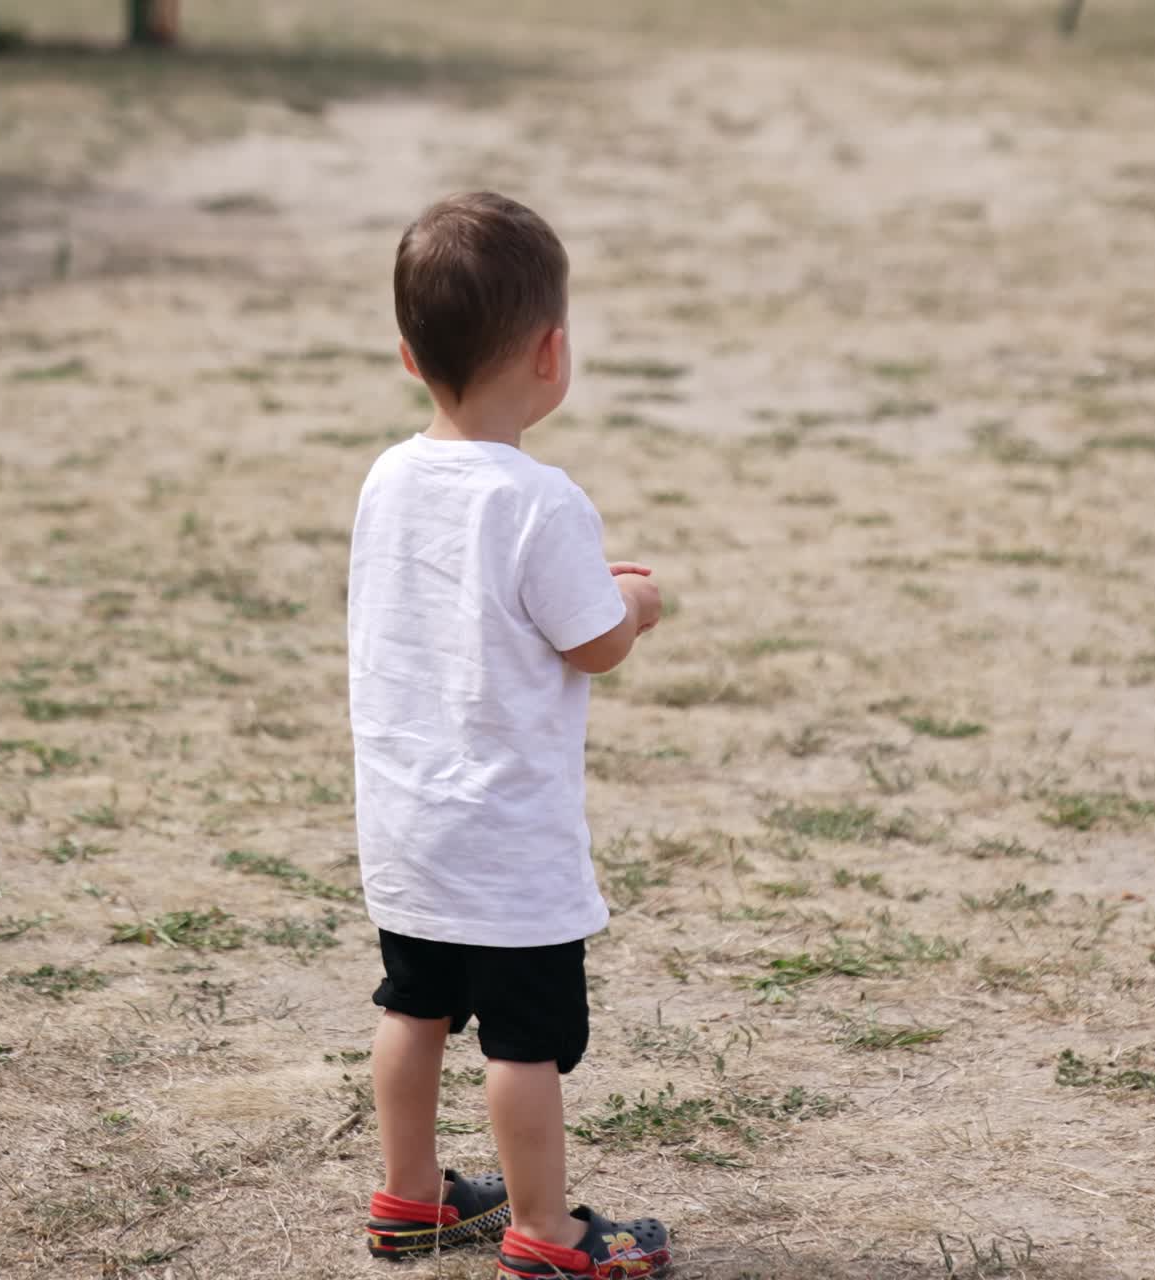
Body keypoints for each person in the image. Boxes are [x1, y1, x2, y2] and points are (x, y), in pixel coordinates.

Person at [348, 191, 671, 1279]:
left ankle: (407, 1192)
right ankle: (545, 1224)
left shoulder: (387, 480)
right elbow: (591, 643)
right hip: (508, 844)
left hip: (408, 824)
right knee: (522, 1043)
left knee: (414, 1005)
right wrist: (632, 599)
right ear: (552, 351)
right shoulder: (542, 501)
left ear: (406, 353)